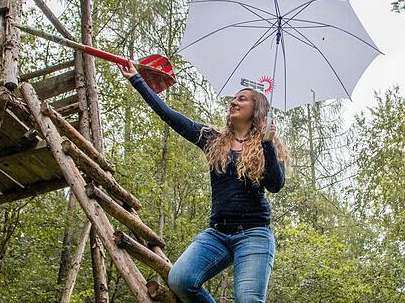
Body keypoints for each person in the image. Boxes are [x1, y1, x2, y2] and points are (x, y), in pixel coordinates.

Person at [118, 62, 289, 303]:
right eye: (234, 98)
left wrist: (267, 143)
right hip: (217, 233)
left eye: (242, 99)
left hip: (254, 235)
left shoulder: (267, 144)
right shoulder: (212, 139)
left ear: (257, 109)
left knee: (248, 300)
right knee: (181, 280)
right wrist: (137, 80)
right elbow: (170, 116)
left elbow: (275, 185)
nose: (234, 102)